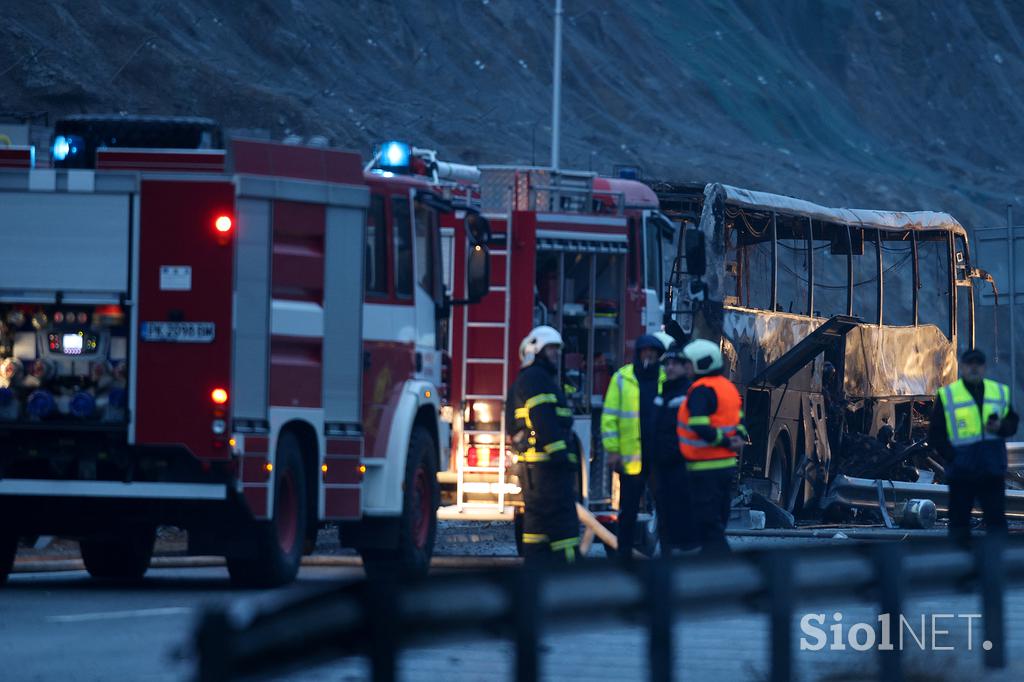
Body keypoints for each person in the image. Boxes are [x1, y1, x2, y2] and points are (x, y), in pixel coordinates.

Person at [927, 349, 1018, 547]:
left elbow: (1012, 422)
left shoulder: (998, 392)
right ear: (963, 367)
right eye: (970, 364)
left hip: (991, 470)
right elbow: (935, 434)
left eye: (978, 364)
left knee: (996, 522)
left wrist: (1000, 427)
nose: (974, 368)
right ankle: (961, 567)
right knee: (959, 524)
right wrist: (953, 457)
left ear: (984, 367)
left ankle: (995, 567)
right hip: (962, 472)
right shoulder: (948, 395)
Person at [507, 325, 580, 564]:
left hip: (534, 473)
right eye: (550, 349)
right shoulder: (537, 379)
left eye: (557, 349)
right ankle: (571, 581)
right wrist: (564, 460)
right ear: (535, 350)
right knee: (565, 530)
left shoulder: (527, 379)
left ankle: (535, 579)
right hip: (549, 472)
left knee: (536, 530)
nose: (555, 354)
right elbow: (545, 421)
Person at [676, 339, 746, 554]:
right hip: (726, 466)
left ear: (702, 363)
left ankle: (719, 565)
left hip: (704, 467)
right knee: (718, 518)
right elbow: (739, 422)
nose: (685, 368)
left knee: (707, 522)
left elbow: (699, 426)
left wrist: (724, 441)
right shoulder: (728, 388)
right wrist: (736, 440)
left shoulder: (700, 390)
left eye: (688, 363)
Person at [601, 334, 666, 564]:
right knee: (627, 511)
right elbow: (609, 417)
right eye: (645, 351)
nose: (648, 355)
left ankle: (667, 557)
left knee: (665, 509)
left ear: (659, 355)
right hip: (631, 459)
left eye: (653, 352)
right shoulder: (622, 378)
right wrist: (613, 450)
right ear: (638, 353)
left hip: (659, 458)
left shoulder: (665, 379)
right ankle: (624, 556)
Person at [653, 342, 697, 553]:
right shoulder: (664, 394)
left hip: (680, 468)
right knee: (665, 518)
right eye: (667, 363)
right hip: (663, 467)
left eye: (675, 363)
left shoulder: (686, 395)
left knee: (680, 518)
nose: (670, 367)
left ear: (685, 367)